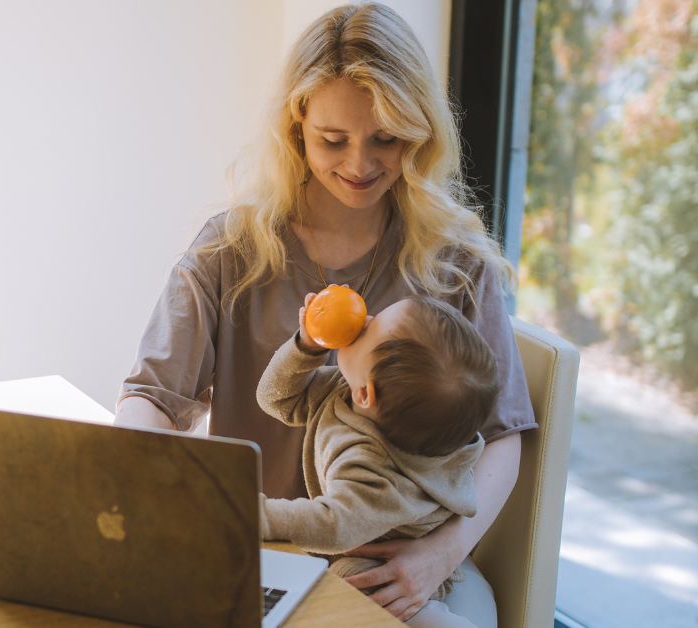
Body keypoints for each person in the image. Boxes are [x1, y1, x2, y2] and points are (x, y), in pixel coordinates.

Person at [115, 3, 535, 626]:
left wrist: (436, 557)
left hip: (398, 567)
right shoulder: (229, 251)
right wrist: (129, 481)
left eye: (386, 139)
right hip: (254, 553)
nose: (360, 166)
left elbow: (502, 435)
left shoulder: (457, 264)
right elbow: (152, 394)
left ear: (419, 134)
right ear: (297, 129)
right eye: (333, 141)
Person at [257, 294, 498, 627]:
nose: (364, 320)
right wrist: (307, 345)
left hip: (383, 562)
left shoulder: (373, 471)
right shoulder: (350, 391)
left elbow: (334, 524)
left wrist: (258, 515)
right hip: (361, 537)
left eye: (371, 329)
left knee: (349, 596)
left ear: (366, 394)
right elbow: (276, 398)